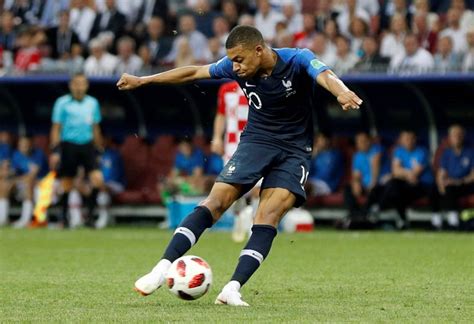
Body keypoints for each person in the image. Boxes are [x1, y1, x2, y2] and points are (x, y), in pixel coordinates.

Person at [117, 25, 362, 306]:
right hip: (256, 142)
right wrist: (144, 80)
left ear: (259, 50)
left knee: (267, 215)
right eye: (232, 60)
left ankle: (232, 288)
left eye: (239, 59)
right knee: (216, 201)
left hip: (295, 150)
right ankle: (161, 269)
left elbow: (325, 74)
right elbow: (193, 71)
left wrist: (341, 92)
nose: (235, 66)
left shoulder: (297, 59)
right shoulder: (235, 67)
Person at [50, 73, 105, 228]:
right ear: (71, 85)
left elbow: (95, 128)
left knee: (97, 179)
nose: (79, 87)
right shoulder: (62, 103)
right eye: (76, 84)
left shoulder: (92, 103)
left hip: (87, 145)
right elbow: (56, 127)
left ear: (86, 86)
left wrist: (99, 149)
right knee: (67, 182)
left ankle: (91, 217)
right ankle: (64, 218)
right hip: (68, 145)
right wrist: (55, 150)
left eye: (82, 84)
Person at [212, 80, 255, 242]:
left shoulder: (258, 85)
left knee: (258, 188)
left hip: (254, 142)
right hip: (232, 145)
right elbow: (221, 114)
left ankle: (253, 225)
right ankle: (240, 216)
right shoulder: (226, 89)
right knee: (234, 189)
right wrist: (216, 138)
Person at [378, 130, 435, 229]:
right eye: (405, 139)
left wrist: (400, 172)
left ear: (415, 139)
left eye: (410, 138)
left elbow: (415, 174)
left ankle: (380, 207)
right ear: (401, 140)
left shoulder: (422, 152)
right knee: (393, 186)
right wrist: (403, 173)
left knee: (393, 186)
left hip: (423, 186)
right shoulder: (399, 151)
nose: (408, 141)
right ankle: (400, 219)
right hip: (406, 186)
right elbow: (396, 170)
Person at [343, 131, 390, 226]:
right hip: (365, 185)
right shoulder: (357, 155)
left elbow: (375, 167)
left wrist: (372, 184)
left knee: (375, 190)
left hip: (379, 185)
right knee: (348, 188)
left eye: (363, 141)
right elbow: (356, 175)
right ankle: (354, 215)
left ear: (369, 141)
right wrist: (356, 183)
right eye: (358, 142)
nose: (360, 144)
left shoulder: (377, 149)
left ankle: (362, 216)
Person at [433, 125, 474, 229]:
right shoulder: (446, 153)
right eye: (454, 135)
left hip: (467, 184)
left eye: (459, 135)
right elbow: (441, 173)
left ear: (463, 136)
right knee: (439, 189)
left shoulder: (471, 152)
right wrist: (441, 186)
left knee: (451, 187)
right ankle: (442, 221)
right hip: (451, 185)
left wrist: (460, 181)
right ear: (449, 138)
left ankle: (456, 221)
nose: (457, 138)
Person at [9, 135, 48, 228]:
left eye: (26, 145)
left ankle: (34, 219)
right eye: (21, 145)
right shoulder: (16, 155)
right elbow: (12, 174)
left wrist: (20, 179)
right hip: (25, 184)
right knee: (4, 185)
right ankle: (2, 219)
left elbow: (33, 175)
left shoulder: (38, 154)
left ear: (31, 145)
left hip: (44, 184)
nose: (23, 147)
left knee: (32, 185)